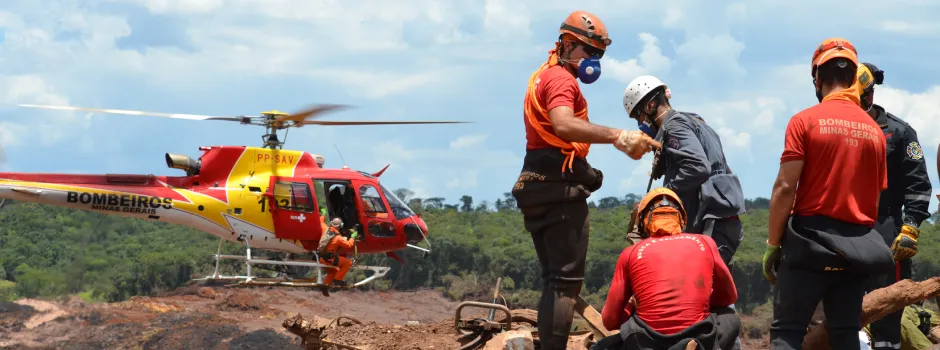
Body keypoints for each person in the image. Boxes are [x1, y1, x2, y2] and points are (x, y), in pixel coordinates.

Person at [511, 10, 661, 350]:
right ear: (566, 45)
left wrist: (587, 171)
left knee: (553, 281)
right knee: (565, 283)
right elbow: (563, 125)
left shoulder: (541, 77)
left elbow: (552, 139)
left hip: (536, 181)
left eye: (598, 55)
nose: (593, 60)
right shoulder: (561, 80)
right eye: (587, 51)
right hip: (557, 191)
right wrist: (620, 137)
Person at [762, 37, 895, 350]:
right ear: (852, 80)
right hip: (855, 248)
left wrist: (773, 244)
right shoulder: (875, 132)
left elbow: (784, 188)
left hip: (808, 244)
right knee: (846, 332)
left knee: (787, 332)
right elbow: (873, 199)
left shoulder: (803, 121)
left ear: (818, 79)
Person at [621, 75, 747, 266]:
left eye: (638, 116)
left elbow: (698, 167)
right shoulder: (696, 122)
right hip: (720, 219)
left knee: (698, 286)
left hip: (711, 221)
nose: (640, 124)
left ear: (649, 106)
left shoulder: (675, 126)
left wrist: (661, 196)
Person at [596, 187, 740, 350]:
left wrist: (632, 307)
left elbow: (609, 320)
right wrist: (698, 301)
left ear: (643, 223)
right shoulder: (705, 242)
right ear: (682, 219)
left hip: (646, 342)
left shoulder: (630, 253)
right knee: (730, 318)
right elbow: (729, 297)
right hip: (699, 335)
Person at [855, 62, 934, 350]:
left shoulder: (900, 133)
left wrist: (910, 227)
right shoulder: (832, 127)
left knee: (887, 305)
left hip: (886, 228)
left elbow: (919, 185)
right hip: (841, 226)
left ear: (869, 96)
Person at [315, 213, 358, 296]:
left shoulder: (325, 229)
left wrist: (323, 214)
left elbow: (321, 221)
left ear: (331, 223)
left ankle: (325, 287)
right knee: (348, 262)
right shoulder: (338, 238)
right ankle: (338, 279)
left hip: (321, 258)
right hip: (330, 260)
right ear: (341, 225)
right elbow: (349, 245)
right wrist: (353, 237)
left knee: (333, 271)